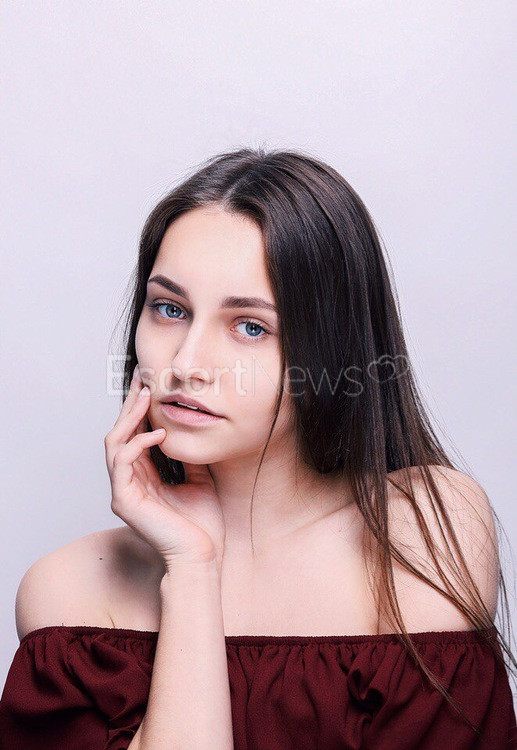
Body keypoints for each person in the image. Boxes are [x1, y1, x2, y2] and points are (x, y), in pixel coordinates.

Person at [0, 147, 515, 750]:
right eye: (169, 309)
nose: (186, 364)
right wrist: (192, 570)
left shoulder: (421, 529)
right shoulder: (67, 595)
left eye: (250, 327)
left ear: (333, 352)